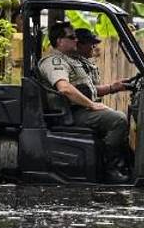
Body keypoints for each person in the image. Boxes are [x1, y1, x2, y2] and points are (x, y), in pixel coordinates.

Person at [38, 21, 131, 181]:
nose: (76, 40)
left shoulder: (71, 60)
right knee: (118, 121)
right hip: (71, 114)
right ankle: (108, 169)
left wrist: (113, 87)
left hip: (80, 110)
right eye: (72, 37)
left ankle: (123, 164)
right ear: (60, 41)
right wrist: (92, 105)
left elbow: (87, 89)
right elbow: (64, 88)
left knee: (116, 117)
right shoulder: (54, 61)